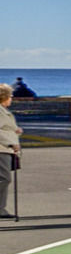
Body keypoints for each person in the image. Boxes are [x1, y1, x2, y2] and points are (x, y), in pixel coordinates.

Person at [0, 82, 18, 219]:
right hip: (2, 149)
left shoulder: (4, 112)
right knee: (4, 178)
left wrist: (16, 131)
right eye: (10, 96)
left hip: (6, 149)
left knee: (4, 178)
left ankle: (1, 208)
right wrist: (10, 143)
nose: (11, 98)